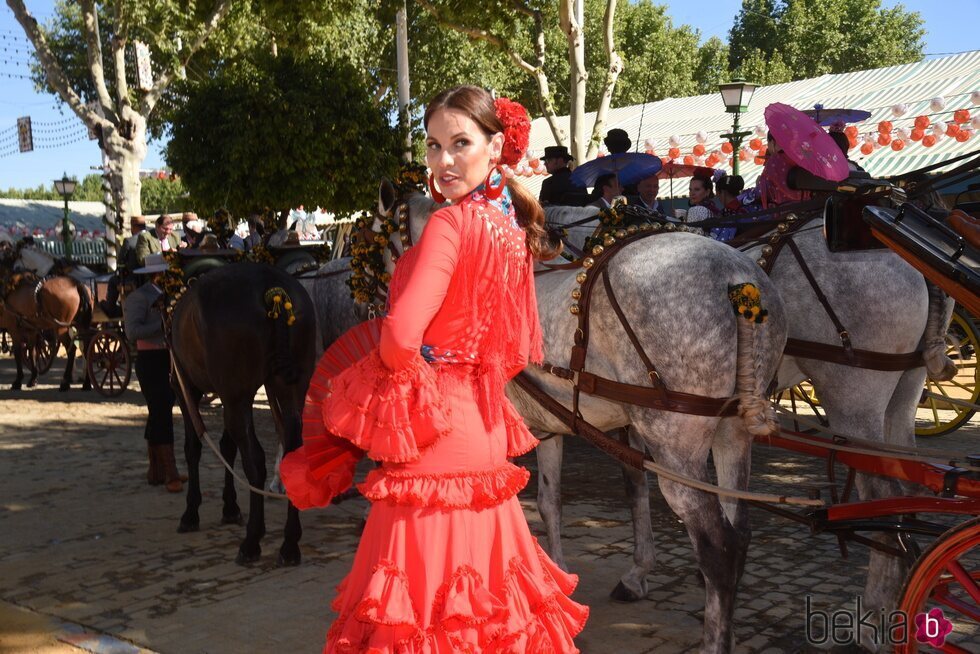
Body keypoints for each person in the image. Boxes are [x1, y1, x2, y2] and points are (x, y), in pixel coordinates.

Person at [280, 85, 587, 652]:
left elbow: (398, 337)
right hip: (486, 430)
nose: (444, 161)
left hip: (433, 441)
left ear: (495, 148)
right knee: (487, 614)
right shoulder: (510, 229)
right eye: (433, 146)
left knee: (416, 616)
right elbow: (513, 351)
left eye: (460, 143)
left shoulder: (450, 224)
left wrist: (405, 361)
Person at [123, 253, 183, 493]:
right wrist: (164, 324)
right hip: (150, 360)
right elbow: (132, 332)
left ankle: (156, 469)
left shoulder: (170, 296)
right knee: (161, 412)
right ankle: (170, 472)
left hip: (167, 358)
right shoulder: (139, 298)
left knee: (161, 410)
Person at [100, 215, 146, 318]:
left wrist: (120, 271)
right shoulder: (152, 238)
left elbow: (121, 261)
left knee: (112, 281)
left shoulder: (129, 241)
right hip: (147, 278)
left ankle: (110, 309)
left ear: (134, 227)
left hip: (133, 279)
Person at [756, 133, 811, 208]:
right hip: (806, 210)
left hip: (781, 212)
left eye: (768, 143)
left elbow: (763, 191)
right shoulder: (803, 159)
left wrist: (759, 182)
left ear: (772, 142)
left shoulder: (774, 161)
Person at [711, 174, 747, 242]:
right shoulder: (746, 206)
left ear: (723, 192)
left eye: (717, 193)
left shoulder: (730, 212)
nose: (717, 196)